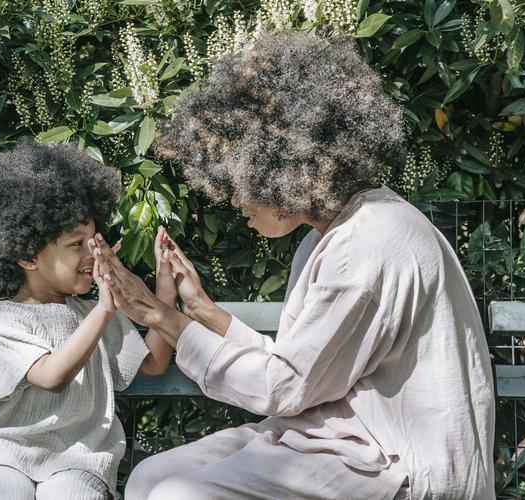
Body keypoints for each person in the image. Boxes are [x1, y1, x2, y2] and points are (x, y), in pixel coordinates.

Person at [89, 32, 496, 500]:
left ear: (282, 170)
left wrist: (161, 317)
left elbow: (284, 387)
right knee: (149, 479)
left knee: (176, 496)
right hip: (338, 438)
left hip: (398, 463)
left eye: (238, 181)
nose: (235, 202)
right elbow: (303, 366)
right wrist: (203, 311)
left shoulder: (367, 244)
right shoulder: (331, 235)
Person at [0, 142, 174, 500]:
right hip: (4, 454)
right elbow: (52, 376)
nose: (92, 253)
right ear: (26, 255)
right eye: (76, 244)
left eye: (94, 240)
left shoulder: (93, 313)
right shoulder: (2, 319)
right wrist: (104, 309)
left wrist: (165, 289)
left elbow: (155, 363)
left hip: (79, 459)